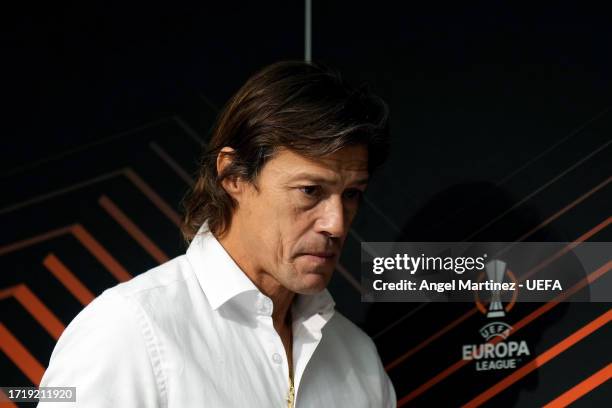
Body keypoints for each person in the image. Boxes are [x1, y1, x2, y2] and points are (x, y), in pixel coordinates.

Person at [38, 60, 396, 407]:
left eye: (351, 194)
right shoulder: (129, 330)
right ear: (233, 176)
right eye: (310, 190)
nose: (335, 223)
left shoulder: (359, 361)